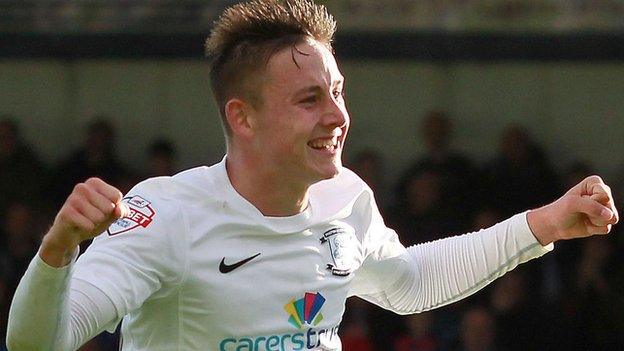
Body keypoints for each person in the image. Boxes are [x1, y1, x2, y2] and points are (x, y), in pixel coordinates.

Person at [6, 1, 619, 350]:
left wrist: (544, 225)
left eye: (338, 91)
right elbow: (37, 345)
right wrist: (58, 251)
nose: (338, 116)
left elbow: (407, 283)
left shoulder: (345, 198)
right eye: (309, 100)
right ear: (241, 117)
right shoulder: (166, 212)